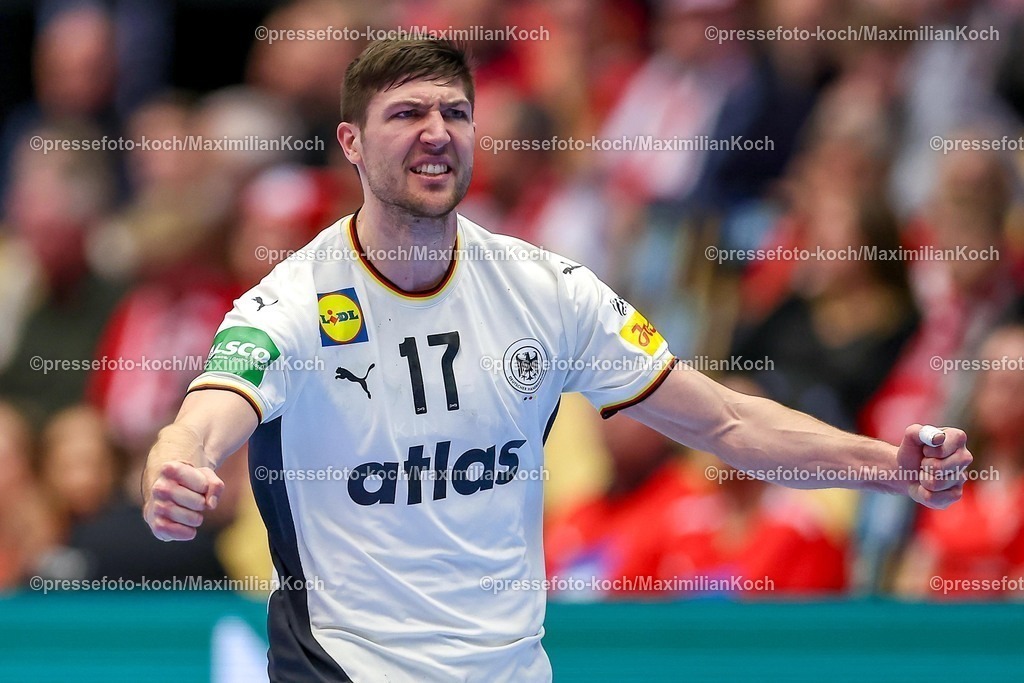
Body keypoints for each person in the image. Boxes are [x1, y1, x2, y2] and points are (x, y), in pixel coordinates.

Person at [142, 39, 972, 682]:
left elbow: (723, 419)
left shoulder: (544, 289)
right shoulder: (293, 301)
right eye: (407, 114)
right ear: (351, 143)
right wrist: (177, 464)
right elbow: (208, 411)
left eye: (455, 112)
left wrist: (887, 466)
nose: (436, 132)